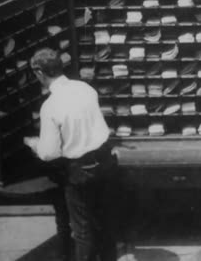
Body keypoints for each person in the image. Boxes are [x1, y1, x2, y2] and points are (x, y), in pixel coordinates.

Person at [23, 48, 117, 261]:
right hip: (105, 161)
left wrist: (33, 143)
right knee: (104, 224)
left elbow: (49, 154)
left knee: (83, 231)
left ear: (39, 72)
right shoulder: (85, 88)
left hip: (81, 171)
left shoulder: (50, 106)